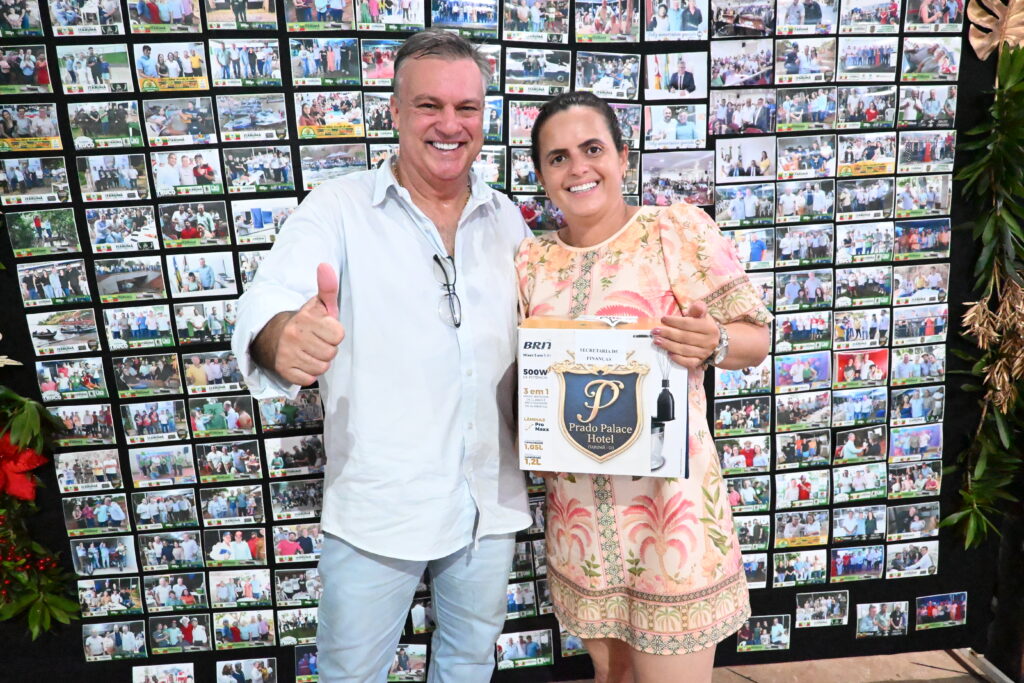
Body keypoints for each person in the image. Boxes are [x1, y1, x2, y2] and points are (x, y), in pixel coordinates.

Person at [231, 30, 534, 681]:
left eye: (467, 108)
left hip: (488, 502)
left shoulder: (506, 219)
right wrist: (282, 338)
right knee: (351, 674)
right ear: (394, 111)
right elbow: (269, 302)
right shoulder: (338, 209)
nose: (450, 125)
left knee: (468, 664)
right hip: (378, 507)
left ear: (485, 116)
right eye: (429, 105)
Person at [516, 91, 771, 681]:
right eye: (558, 158)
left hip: (671, 518)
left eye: (592, 149)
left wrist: (714, 341)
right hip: (580, 525)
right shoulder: (531, 260)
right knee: (613, 678)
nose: (578, 168)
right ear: (542, 175)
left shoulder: (674, 231)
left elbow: (756, 337)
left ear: (623, 157)